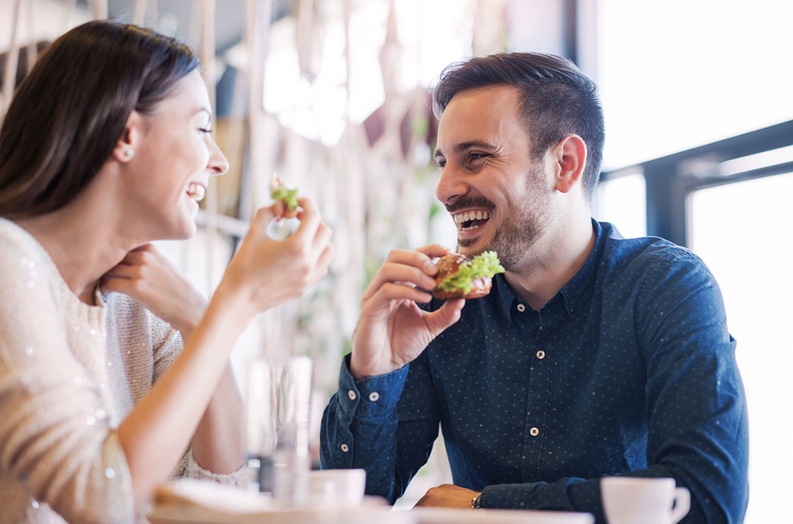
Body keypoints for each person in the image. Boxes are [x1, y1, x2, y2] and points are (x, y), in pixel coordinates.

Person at [0, 20, 334, 524]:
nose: (220, 161)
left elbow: (214, 494)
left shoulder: (137, 304)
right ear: (126, 133)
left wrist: (200, 316)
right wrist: (235, 304)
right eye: (203, 127)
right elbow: (102, 500)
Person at [320, 52, 748, 523]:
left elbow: (707, 499)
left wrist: (487, 505)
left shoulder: (666, 288)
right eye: (443, 162)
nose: (444, 188)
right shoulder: (438, 310)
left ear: (565, 164)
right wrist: (373, 370)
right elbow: (354, 503)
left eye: (476, 157)